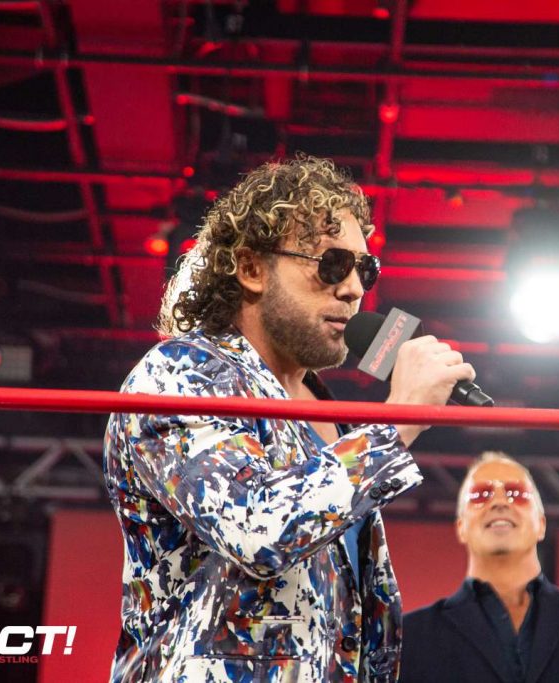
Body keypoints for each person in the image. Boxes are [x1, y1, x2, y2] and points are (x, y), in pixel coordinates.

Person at [103, 156, 475, 682]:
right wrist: (399, 422)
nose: (353, 288)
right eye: (331, 264)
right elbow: (258, 531)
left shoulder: (327, 412)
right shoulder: (180, 374)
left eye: (364, 270)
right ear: (252, 269)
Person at [400, 451, 559, 683]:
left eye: (516, 494)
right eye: (480, 495)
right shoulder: (410, 639)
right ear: (461, 527)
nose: (499, 502)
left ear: (541, 524)